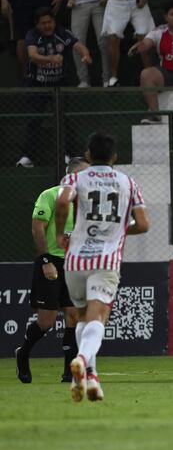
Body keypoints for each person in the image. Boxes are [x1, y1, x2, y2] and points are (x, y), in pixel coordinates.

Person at [55, 132, 149, 402]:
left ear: (87, 155)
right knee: (98, 317)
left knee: (83, 317)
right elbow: (143, 224)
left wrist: (62, 232)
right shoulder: (128, 183)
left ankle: (91, 376)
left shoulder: (74, 178)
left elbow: (62, 200)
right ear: (115, 157)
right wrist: (120, 231)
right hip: (105, 259)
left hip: (76, 258)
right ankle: (82, 359)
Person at [15, 157, 90, 384]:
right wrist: (45, 259)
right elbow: (37, 228)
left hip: (75, 264)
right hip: (51, 262)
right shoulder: (50, 195)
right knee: (46, 322)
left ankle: (69, 372)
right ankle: (23, 353)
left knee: (73, 316)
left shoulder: (88, 200)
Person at [16, 7, 91, 168]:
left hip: (59, 83)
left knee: (63, 119)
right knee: (34, 119)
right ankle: (28, 156)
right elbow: (33, 56)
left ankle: (69, 155)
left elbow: (79, 46)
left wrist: (85, 55)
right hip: (37, 84)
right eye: (43, 23)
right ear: (37, 25)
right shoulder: (32, 35)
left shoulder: (62, 33)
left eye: (49, 22)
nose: (47, 26)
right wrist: (50, 58)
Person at [101, 0, 156, 87]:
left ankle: (149, 75)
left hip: (138, 1)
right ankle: (113, 78)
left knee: (145, 36)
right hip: (117, 0)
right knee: (113, 37)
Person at [65, 0, 110, 88]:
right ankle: (84, 80)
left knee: (104, 42)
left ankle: (107, 79)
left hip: (100, 3)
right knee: (77, 43)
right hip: (79, 4)